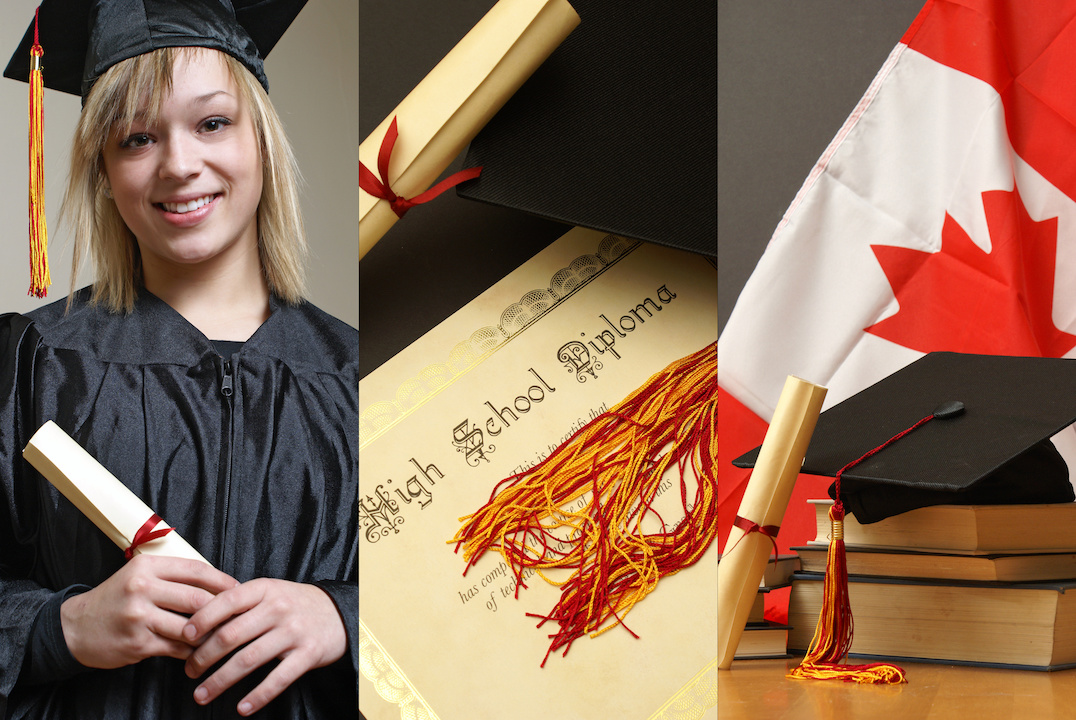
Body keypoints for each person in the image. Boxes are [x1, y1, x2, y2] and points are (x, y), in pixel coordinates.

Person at [0, 1, 357, 717]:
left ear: (262, 137)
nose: (179, 165)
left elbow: (461, 592)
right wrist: (60, 627)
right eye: (136, 138)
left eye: (213, 122)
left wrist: (345, 618)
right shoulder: (34, 363)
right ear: (103, 169)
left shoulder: (359, 372)